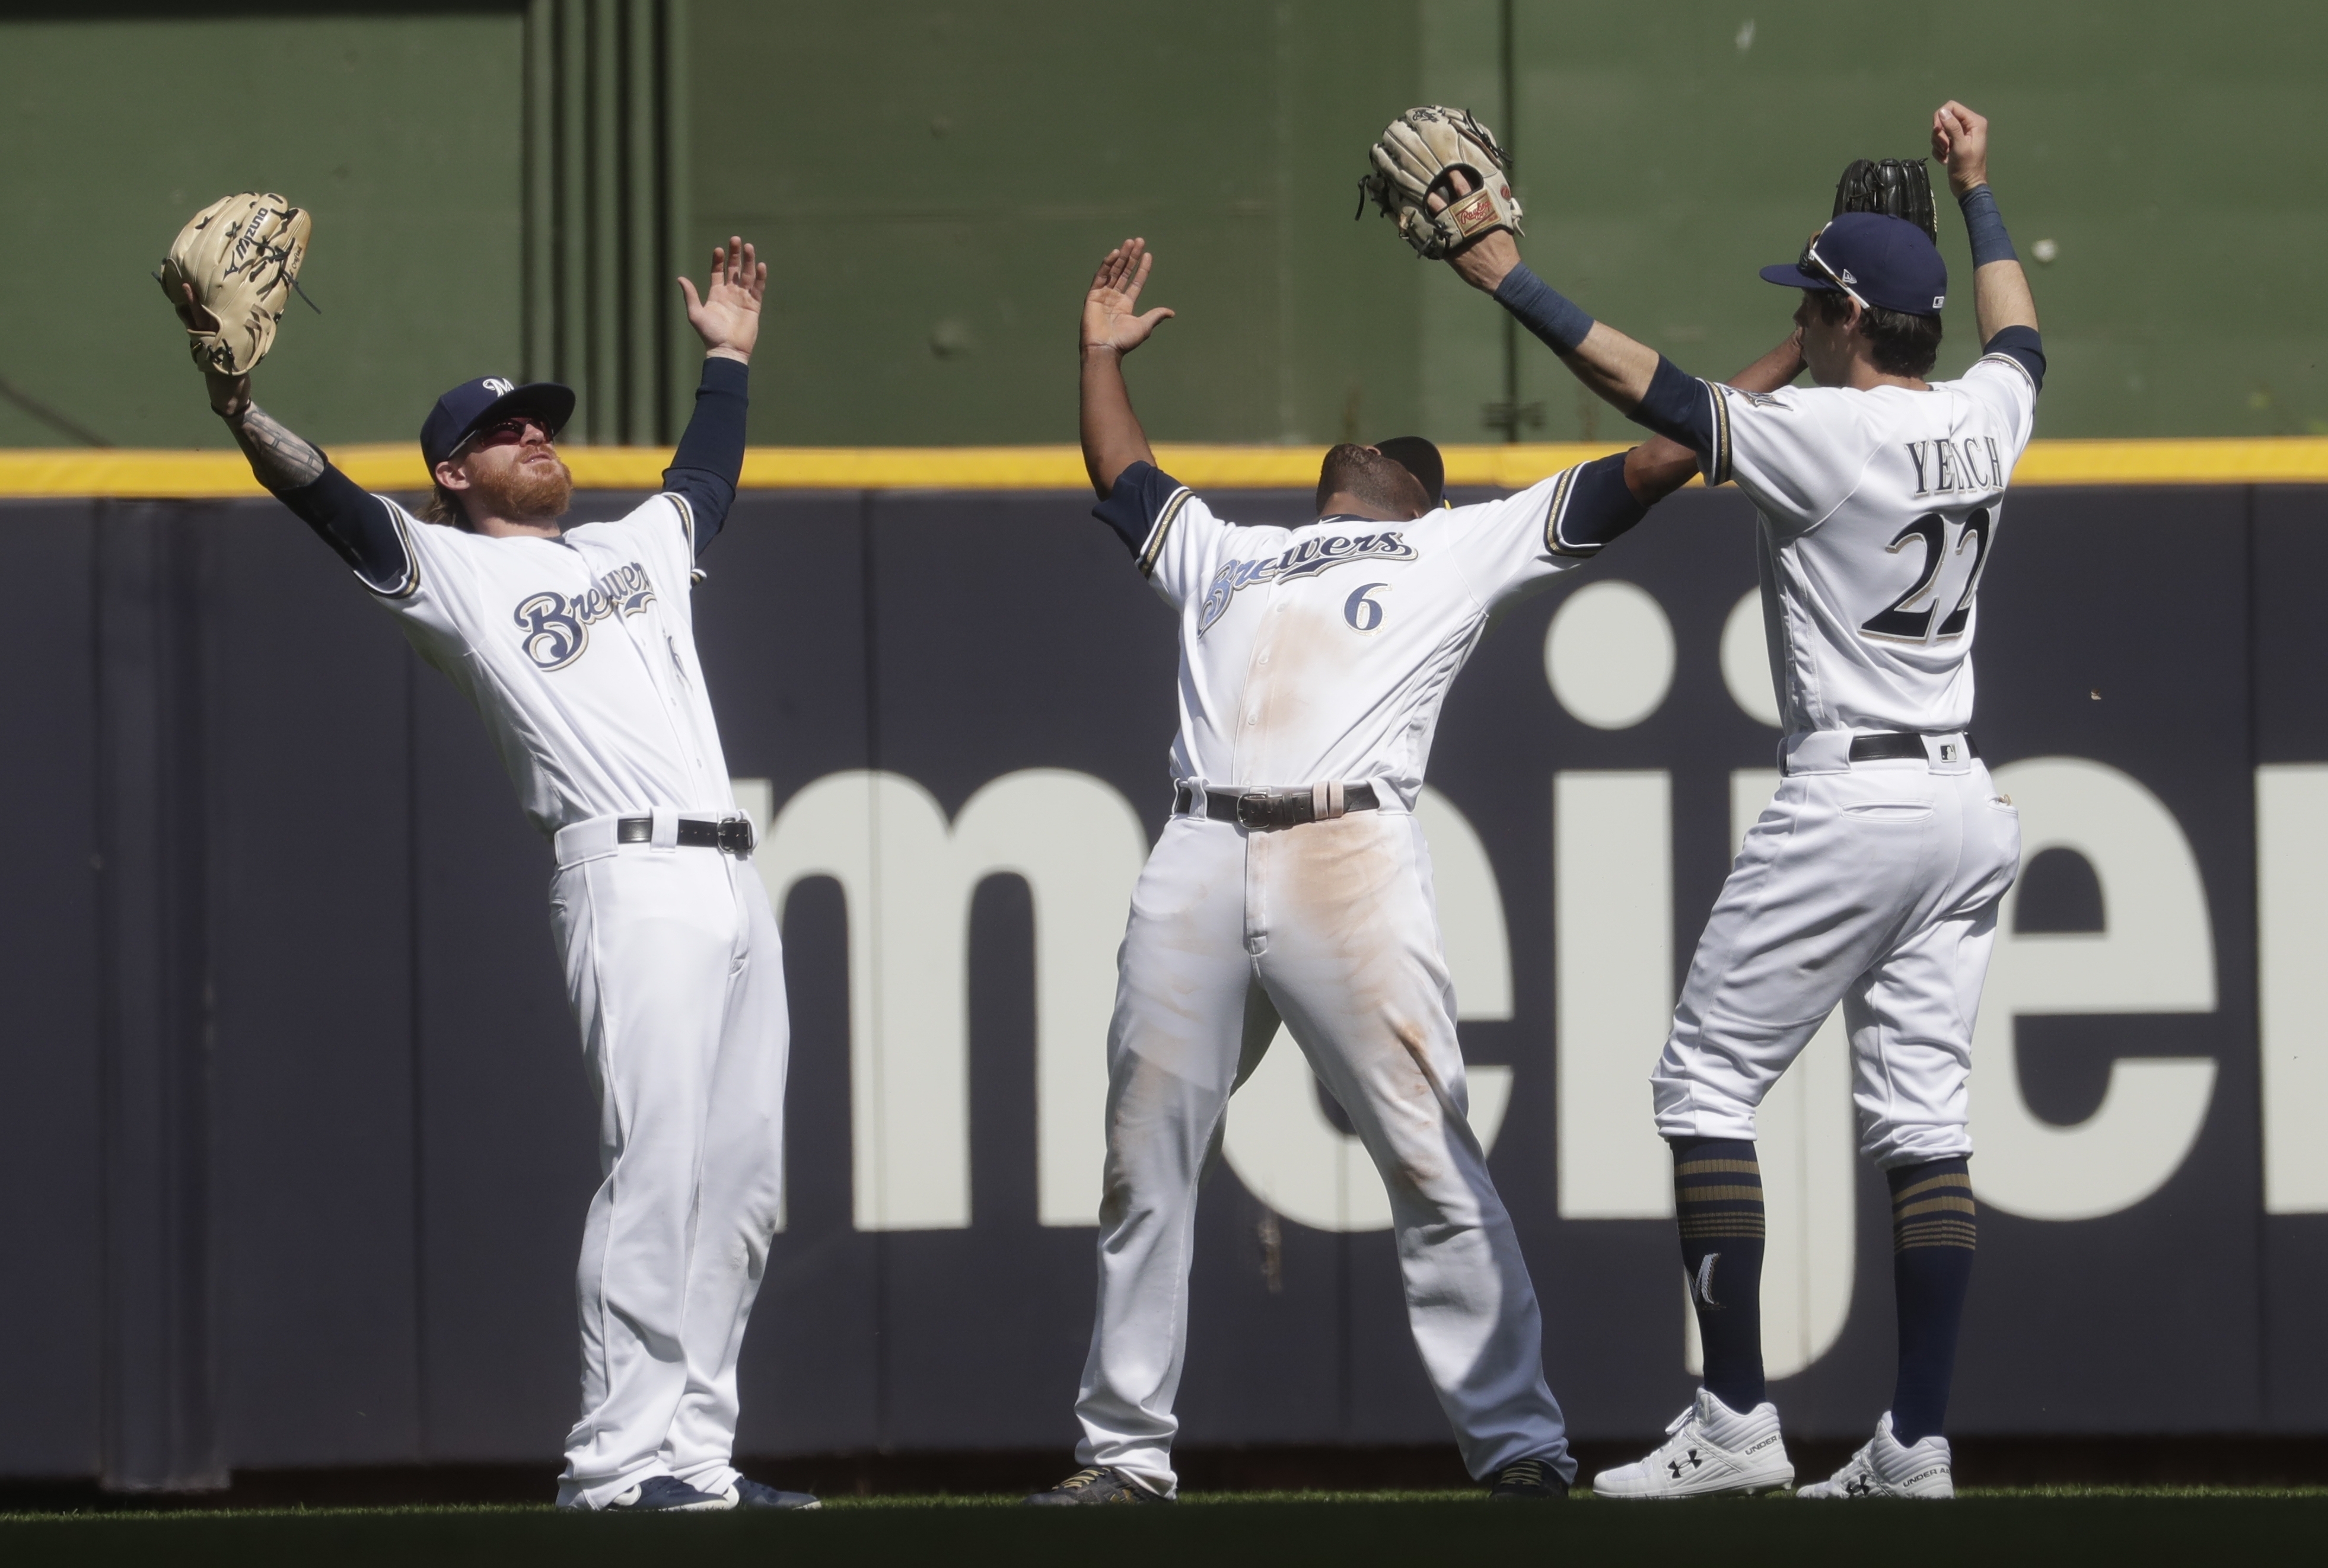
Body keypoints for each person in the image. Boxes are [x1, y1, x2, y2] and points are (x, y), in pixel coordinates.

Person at [1024, 235, 1801, 1506]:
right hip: (1198, 852)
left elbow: (1664, 453)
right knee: (1142, 1161)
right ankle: (1122, 1452)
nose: (1370, 442)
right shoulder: (1231, 551)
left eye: (1399, 448)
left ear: (1417, 495)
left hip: (1347, 852)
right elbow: (1126, 480)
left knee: (1432, 1158)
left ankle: (1520, 1451)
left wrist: (1788, 364)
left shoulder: (1457, 548)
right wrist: (1097, 357)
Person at [1438, 101, 2041, 1499]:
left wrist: (1505, 278)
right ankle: (1916, 1440)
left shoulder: (1821, 436)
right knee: (1924, 1120)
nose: (1803, 323)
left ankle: (1735, 1415)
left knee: (1704, 1081)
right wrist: (1979, 194)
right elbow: (2020, 336)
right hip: (1962, 800)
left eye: (1809, 303)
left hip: (1851, 799)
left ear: (1840, 317)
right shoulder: (1984, 417)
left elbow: (1656, 392)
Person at [168, 240, 819, 1514]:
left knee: (744, 1183)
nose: (537, 438)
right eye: (504, 430)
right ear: (453, 471)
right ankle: (616, 1461)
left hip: (737, 880)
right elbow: (334, 506)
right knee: (657, 1162)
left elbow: (705, 477)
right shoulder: (451, 573)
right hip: (625, 874)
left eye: (543, 425)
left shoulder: (641, 546)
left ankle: (694, 1454)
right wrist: (243, 413)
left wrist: (728, 358)